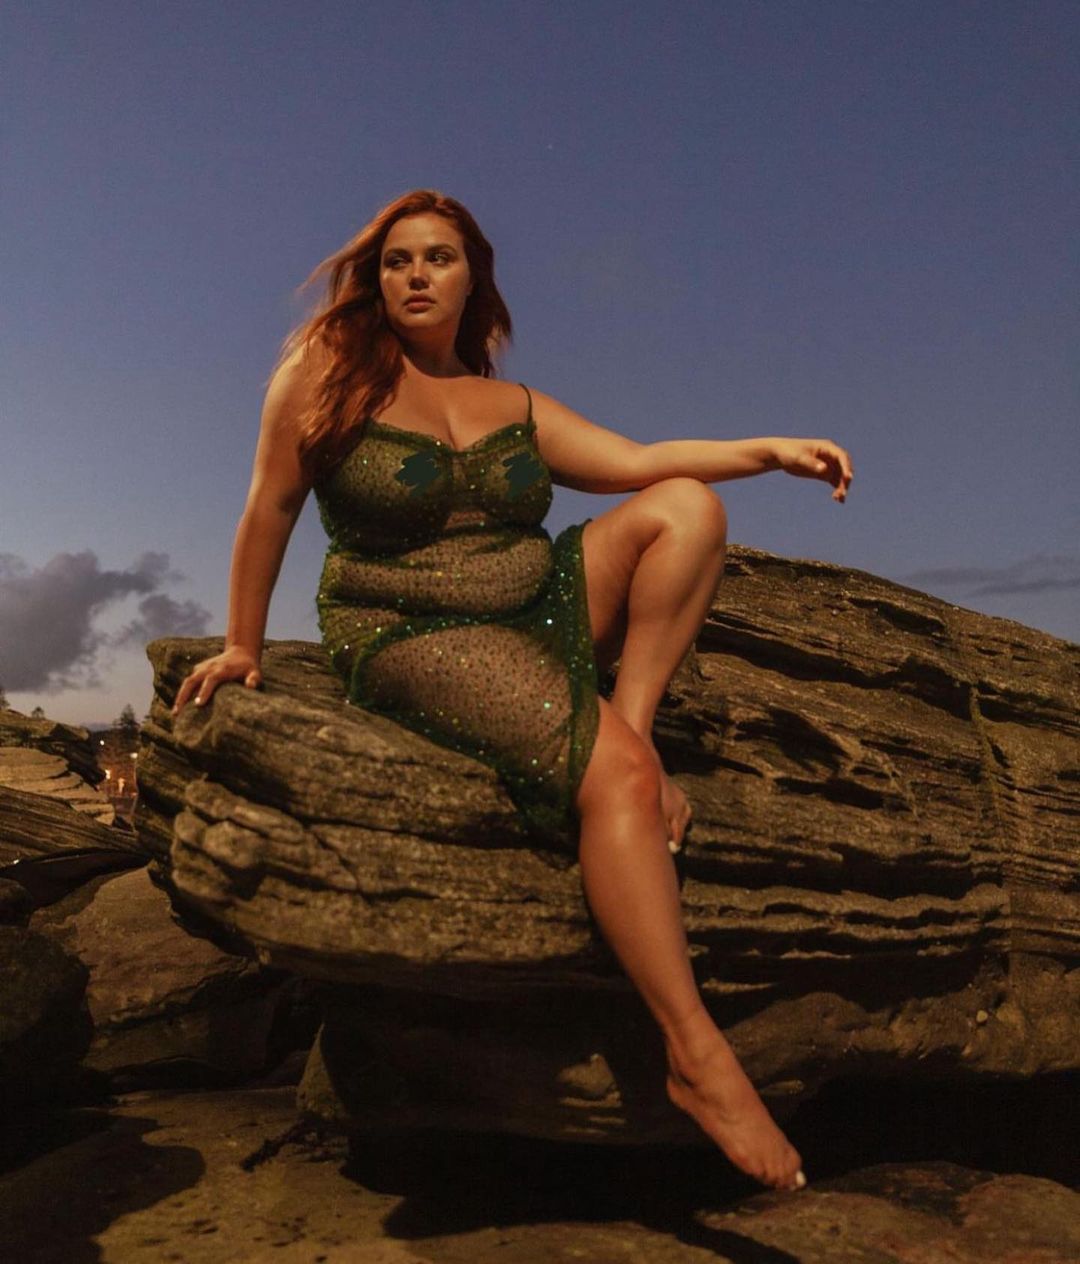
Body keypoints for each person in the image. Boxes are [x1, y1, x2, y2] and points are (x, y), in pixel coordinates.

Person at [173, 189, 853, 1192]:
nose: (416, 274)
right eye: (398, 259)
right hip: (412, 628)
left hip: (538, 602)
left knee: (685, 509)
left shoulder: (513, 406)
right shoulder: (325, 373)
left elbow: (637, 462)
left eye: (438, 257)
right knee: (620, 783)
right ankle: (692, 1050)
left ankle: (630, 726)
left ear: (472, 279)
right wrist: (242, 644)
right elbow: (269, 506)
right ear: (376, 279)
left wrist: (771, 452)